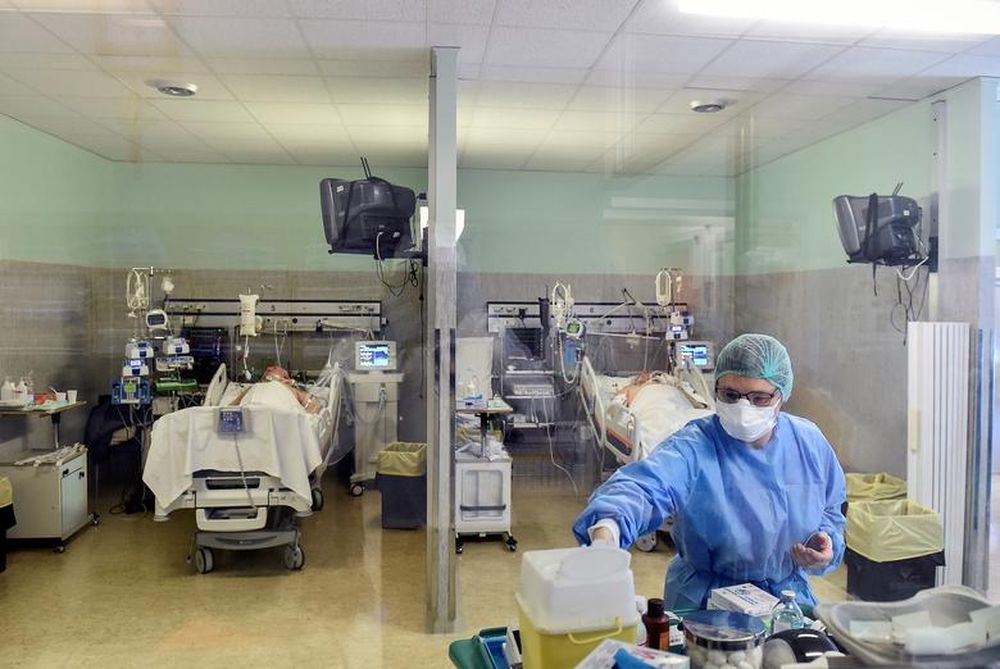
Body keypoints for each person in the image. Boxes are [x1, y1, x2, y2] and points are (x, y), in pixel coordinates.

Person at [573, 333, 846, 611]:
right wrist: (607, 531)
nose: (743, 407)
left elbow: (831, 510)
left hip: (787, 601)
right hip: (706, 605)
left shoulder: (808, 443)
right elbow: (644, 486)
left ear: (782, 395)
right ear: (716, 389)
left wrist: (826, 543)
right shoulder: (693, 446)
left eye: (759, 398)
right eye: (730, 395)